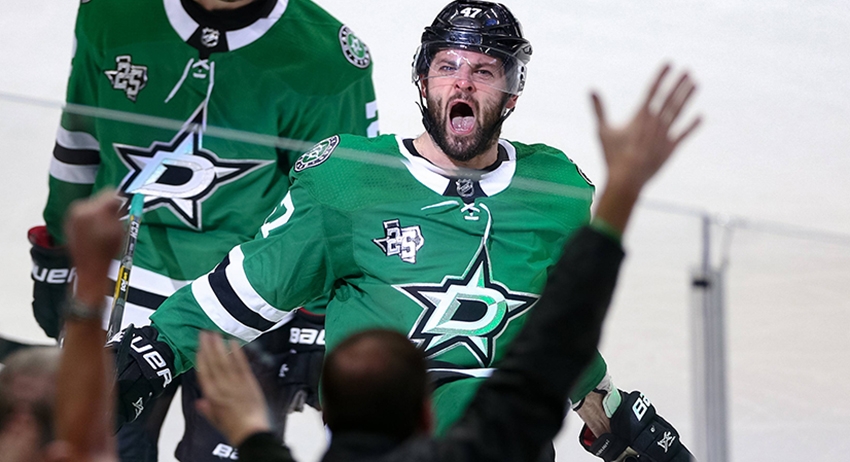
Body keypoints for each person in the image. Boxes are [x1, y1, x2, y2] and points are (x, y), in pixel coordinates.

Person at [114, 1, 693, 459]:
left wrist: (608, 408)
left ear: (512, 93)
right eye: (447, 67)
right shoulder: (348, 179)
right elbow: (249, 287)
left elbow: (550, 323)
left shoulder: (555, 189)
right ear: (422, 80)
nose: (462, 84)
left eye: (484, 71)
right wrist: (154, 349)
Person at [28, 0, 379, 459]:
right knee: (93, 449)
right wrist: (57, 251)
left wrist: (314, 320)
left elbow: (334, 208)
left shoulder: (329, 57)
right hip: (123, 283)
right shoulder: (109, 11)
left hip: (248, 303)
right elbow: (79, 141)